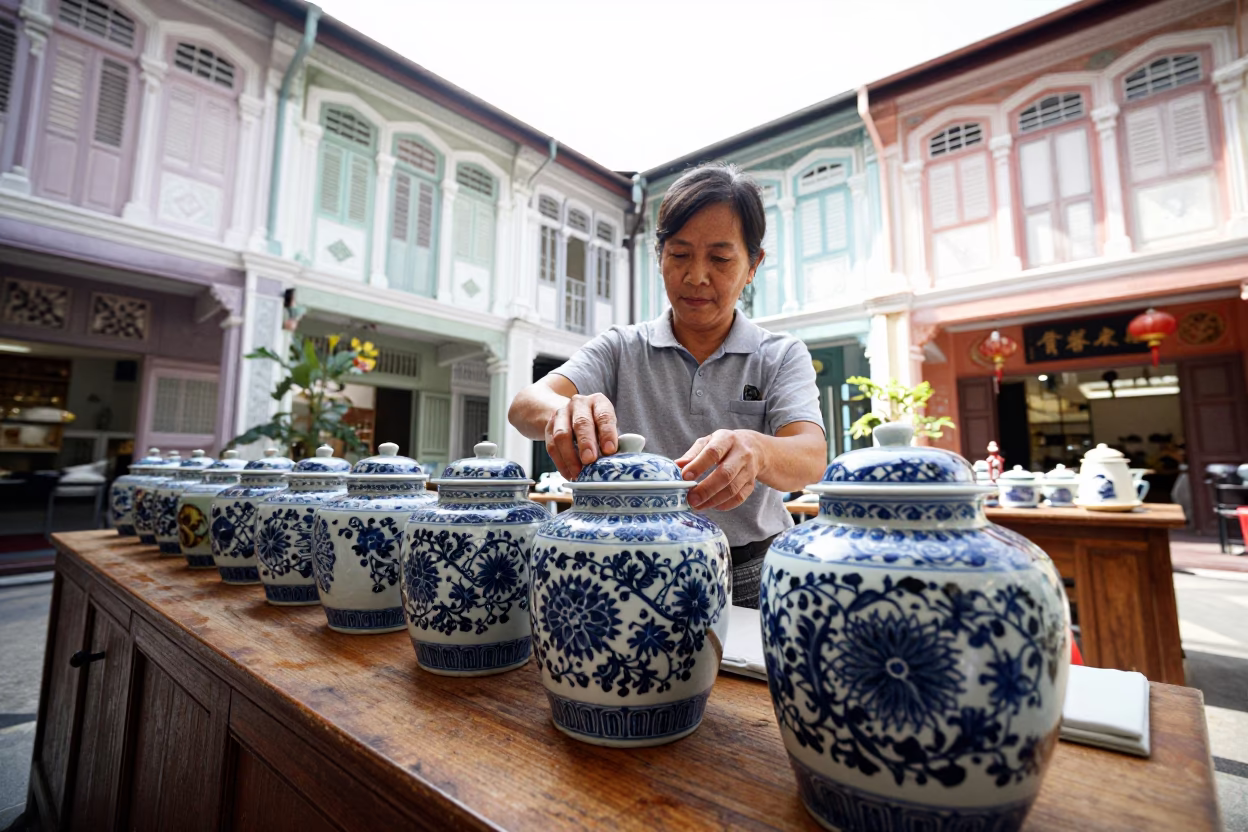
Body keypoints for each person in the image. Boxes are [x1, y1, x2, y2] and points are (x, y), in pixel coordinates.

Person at [507, 162, 827, 608]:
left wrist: (756, 449)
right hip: (636, 569)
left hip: (755, 575)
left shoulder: (778, 354)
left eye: (720, 258)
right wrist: (567, 410)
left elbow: (811, 455)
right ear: (659, 257)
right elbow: (525, 404)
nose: (697, 276)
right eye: (679, 255)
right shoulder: (622, 348)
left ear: (753, 265)